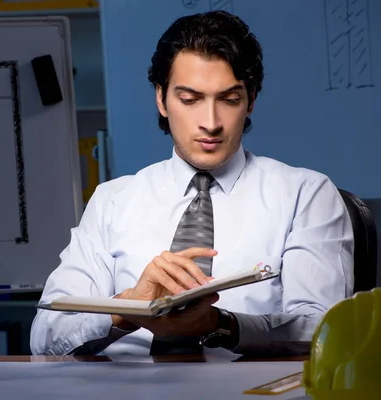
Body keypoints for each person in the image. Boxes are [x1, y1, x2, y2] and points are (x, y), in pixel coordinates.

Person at [30, 10, 354, 356]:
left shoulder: (306, 194)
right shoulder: (112, 200)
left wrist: (221, 324)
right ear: (161, 99)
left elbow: (325, 331)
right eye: (189, 100)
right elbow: (44, 339)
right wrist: (126, 309)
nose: (210, 123)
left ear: (251, 100)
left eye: (229, 100)